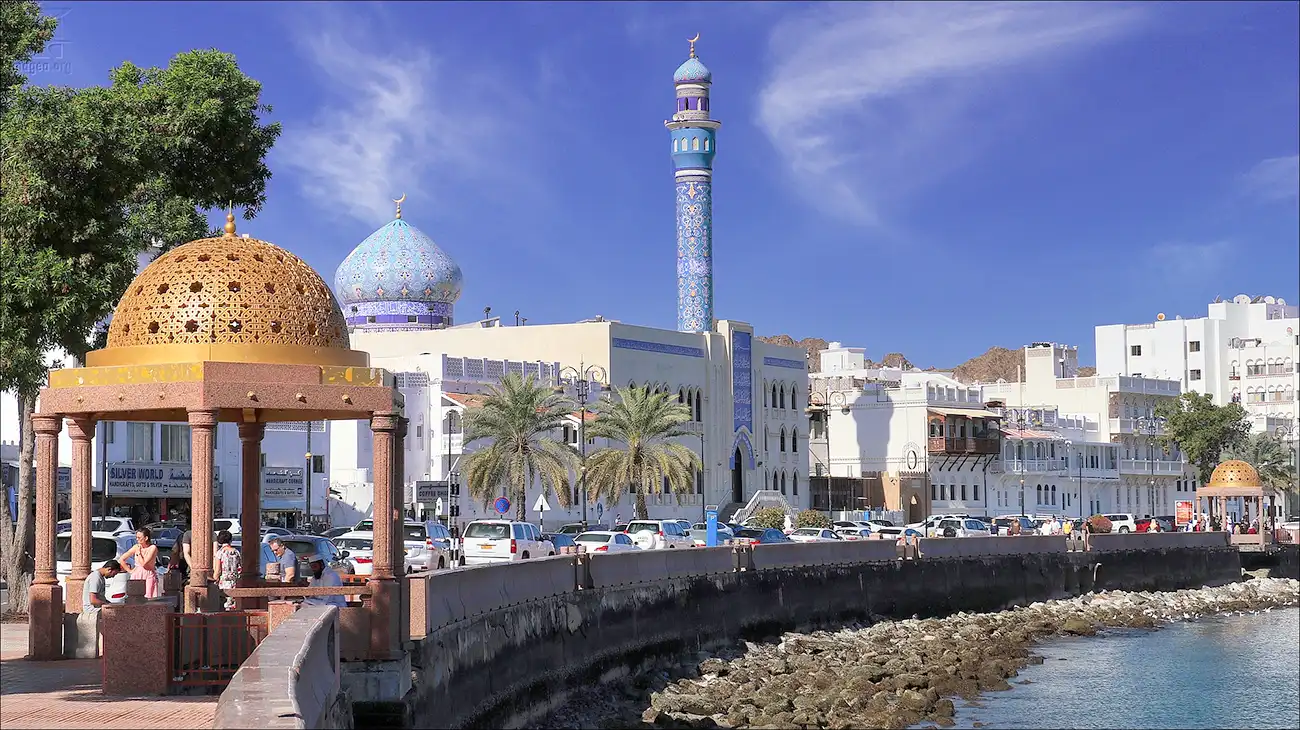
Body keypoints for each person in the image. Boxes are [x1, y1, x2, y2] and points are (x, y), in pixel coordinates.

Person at [118, 527, 161, 598]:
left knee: (148, 596)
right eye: (136, 537)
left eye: (139, 537)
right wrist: (130, 571)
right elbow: (122, 559)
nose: (137, 539)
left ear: (146, 538)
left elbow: (144, 563)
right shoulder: (136, 547)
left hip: (148, 574)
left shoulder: (152, 548)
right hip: (137, 573)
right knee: (135, 597)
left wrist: (138, 553)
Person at [213, 530, 241, 610]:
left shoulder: (220, 553)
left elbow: (218, 570)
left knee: (224, 606)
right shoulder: (236, 552)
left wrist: (214, 581)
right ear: (230, 540)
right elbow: (240, 567)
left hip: (224, 583)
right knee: (234, 606)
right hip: (235, 582)